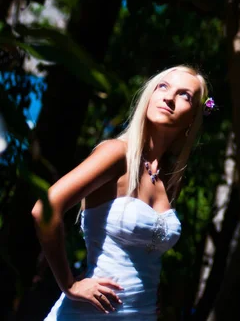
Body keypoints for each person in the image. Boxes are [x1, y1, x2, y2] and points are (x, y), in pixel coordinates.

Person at [31, 65, 213, 319]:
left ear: (193, 117)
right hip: (90, 313)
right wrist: (70, 285)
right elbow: (45, 210)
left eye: (185, 95)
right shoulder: (117, 155)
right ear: (150, 95)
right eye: (163, 86)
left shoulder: (171, 178)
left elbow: (145, 253)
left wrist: (149, 291)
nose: (169, 97)